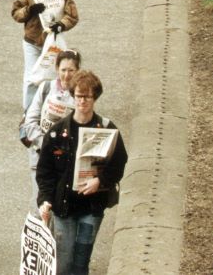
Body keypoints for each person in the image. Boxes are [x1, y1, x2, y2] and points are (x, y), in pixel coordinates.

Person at [37, 70, 128, 275]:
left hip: (91, 207)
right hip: (64, 208)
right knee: (63, 264)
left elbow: (119, 162)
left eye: (87, 96)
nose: (82, 101)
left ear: (94, 97)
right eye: (79, 96)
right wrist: (44, 200)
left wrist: (100, 180)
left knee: (80, 264)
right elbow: (45, 171)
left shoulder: (106, 128)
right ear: (73, 95)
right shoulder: (57, 131)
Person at [11, 0, 80, 108]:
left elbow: (73, 15)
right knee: (31, 78)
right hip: (32, 41)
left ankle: (55, 107)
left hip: (53, 41)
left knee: (56, 75)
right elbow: (15, 13)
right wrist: (29, 10)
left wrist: (61, 24)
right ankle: (28, 113)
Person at [22, 50, 80, 206]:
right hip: (41, 154)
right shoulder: (46, 88)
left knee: (61, 203)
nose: (66, 75)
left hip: (65, 158)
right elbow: (31, 120)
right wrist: (45, 145)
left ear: (77, 71)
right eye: (63, 70)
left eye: (71, 70)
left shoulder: (80, 94)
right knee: (40, 203)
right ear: (57, 69)